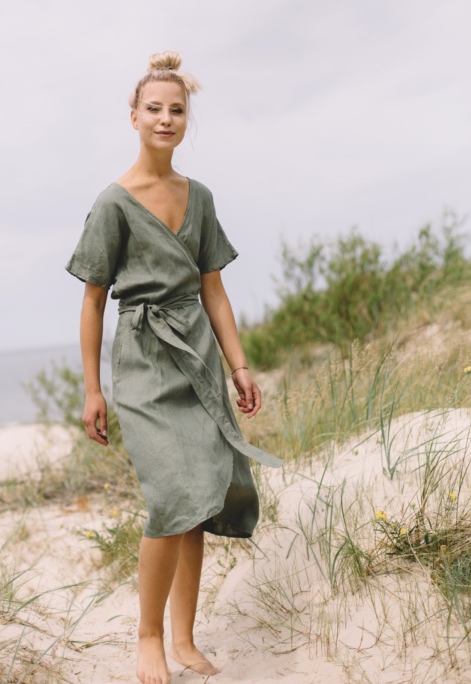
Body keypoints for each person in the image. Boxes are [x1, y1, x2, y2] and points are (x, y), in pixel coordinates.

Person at [66, 51, 282, 684]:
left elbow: (212, 288)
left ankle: (185, 639)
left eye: (176, 110)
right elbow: (93, 299)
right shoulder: (113, 202)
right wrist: (92, 389)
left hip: (197, 356)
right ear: (133, 117)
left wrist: (239, 365)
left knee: (199, 500)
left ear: (187, 119)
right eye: (154, 109)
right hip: (141, 365)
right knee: (170, 498)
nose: (165, 118)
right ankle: (148, 637)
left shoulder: (201, 197)